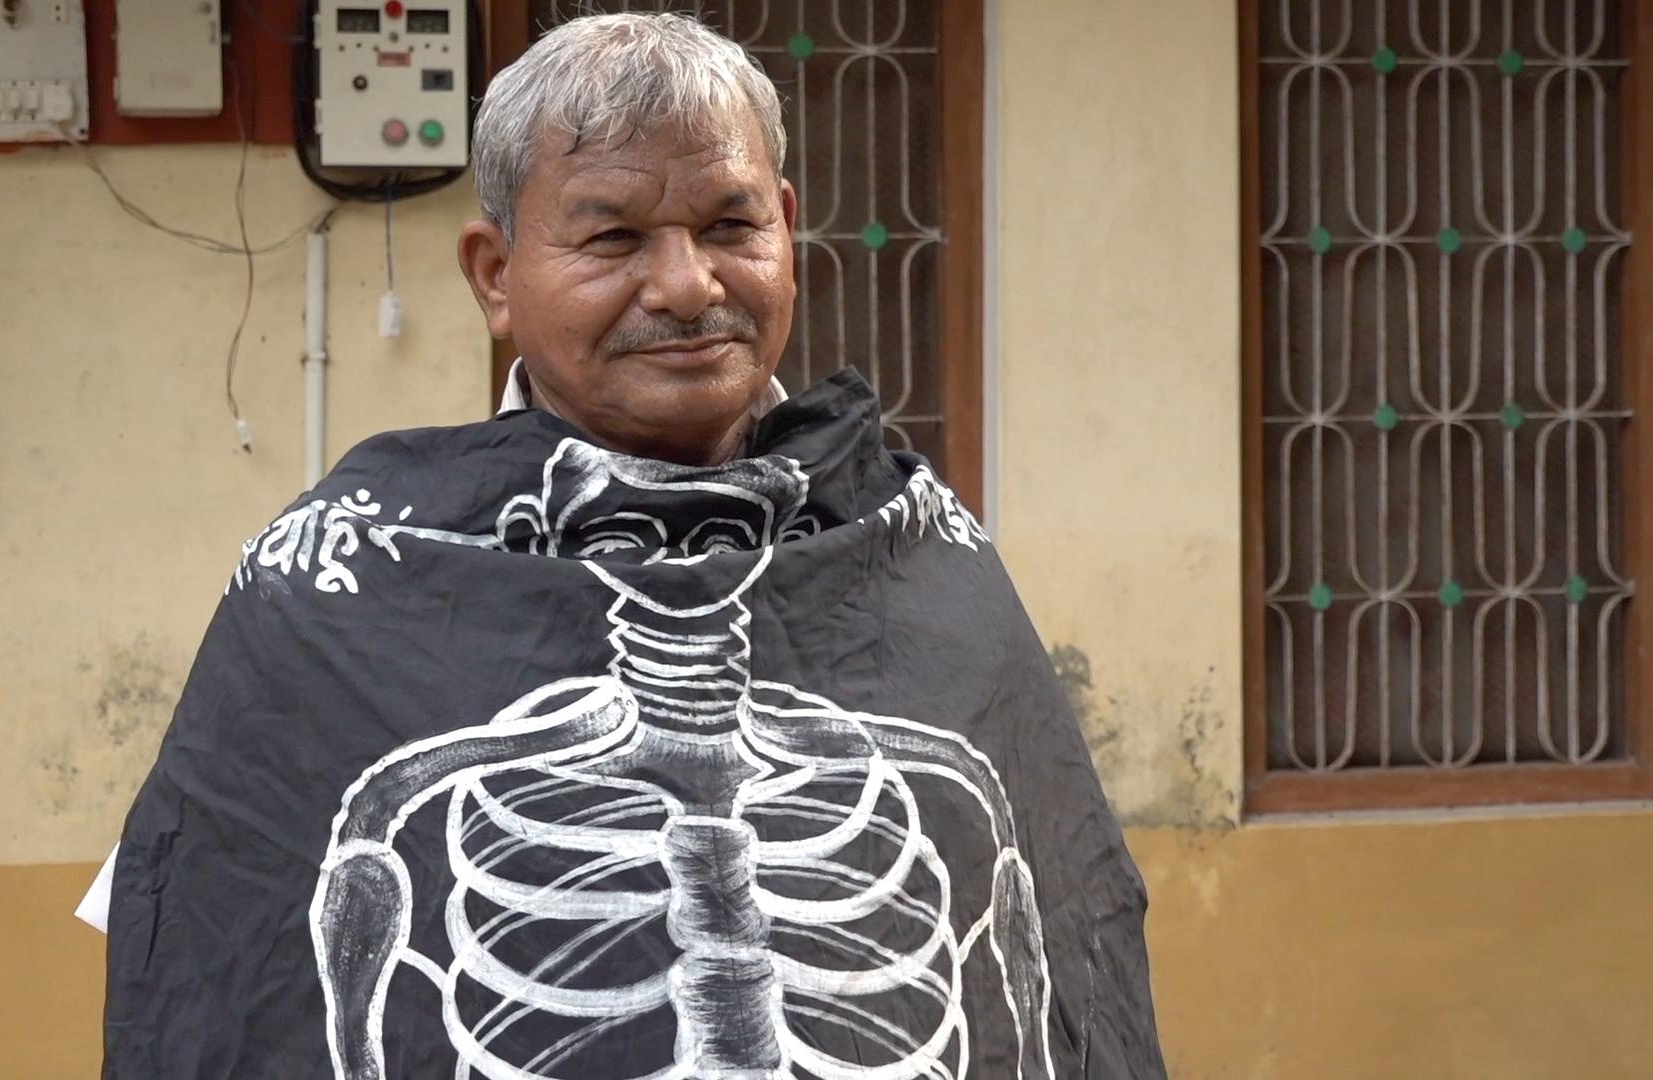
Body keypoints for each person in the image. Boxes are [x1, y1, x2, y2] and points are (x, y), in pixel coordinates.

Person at [98, 13, 1165, 1079]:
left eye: (730, 227)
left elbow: (1065, 937)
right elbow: (211, 947)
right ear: (496, 275)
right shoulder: (345, 579)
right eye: (612, 239)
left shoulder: (912, 549)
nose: (687, 287)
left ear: (786, 232)